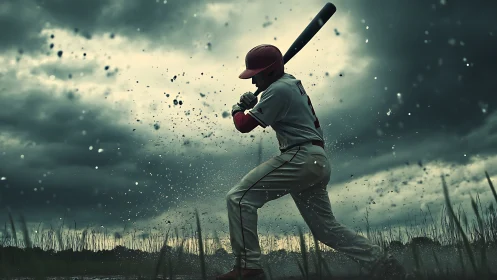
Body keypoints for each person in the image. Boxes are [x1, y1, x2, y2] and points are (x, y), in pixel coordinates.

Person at [216, 44, 406, 280]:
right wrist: (251, 104)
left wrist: (238, 108)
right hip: (316, 161)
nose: (253, 82)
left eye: (256, 76)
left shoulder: (277, 90)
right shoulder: (289, 83)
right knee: (326, 229)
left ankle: (248, 267)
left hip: (300, 157)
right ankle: (381, 263)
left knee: (239, 198)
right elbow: (264, 103)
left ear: (271, 72)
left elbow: (243, 126)